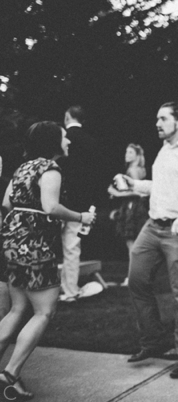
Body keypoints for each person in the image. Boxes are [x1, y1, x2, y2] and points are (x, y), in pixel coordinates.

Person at [0, 122, 97, 400]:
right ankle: (10, 374)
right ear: (53, 141)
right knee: (44, 311)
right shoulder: (49, 169)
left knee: (17, 309)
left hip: (11, 243)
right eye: (64, 137)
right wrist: (81, 217)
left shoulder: (22, 167)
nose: (68, 141)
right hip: (35, 247)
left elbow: (7, 203)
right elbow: (50, 207)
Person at [122, 102, 178, 379]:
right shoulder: (163, 151)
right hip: (152, 226)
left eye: (163, 118)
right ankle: (153, 341)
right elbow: (160, 187)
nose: (157, 123)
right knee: (136, 280)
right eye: (157, 119)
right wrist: (133, 184)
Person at [58, 106, 100, 302]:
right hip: (80, 203)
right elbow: (94, 177)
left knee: (49, 246)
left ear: (67, 117)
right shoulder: (91, 142)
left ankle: (48, 288)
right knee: (72, 248)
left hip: (57, 199)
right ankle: (70, 290)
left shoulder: (61, 137)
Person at [108, 144, 150, 286]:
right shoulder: (141, 170)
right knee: (136, 245)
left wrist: (114, 193)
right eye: (126, 151)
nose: (127, 154)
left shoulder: (132, 170)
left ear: (136, 156)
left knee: (132, 246)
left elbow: (138, 192)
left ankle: (133, 278)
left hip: (132, 208)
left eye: (130, 152)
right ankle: (139, 276)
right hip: (136, 208)